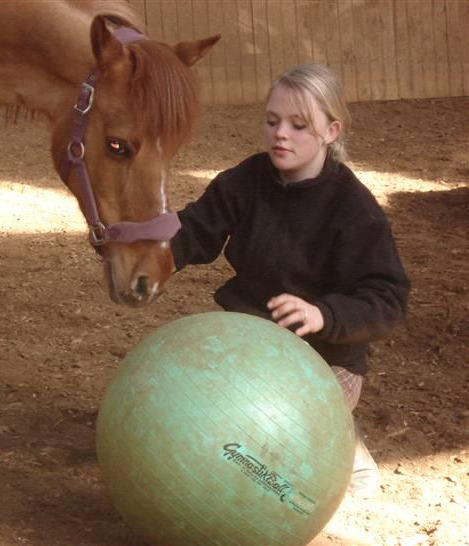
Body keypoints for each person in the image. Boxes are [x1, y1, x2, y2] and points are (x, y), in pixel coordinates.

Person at [169, 63, 410, 498]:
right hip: (252, 338)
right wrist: (145, 247)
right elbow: (193, 232)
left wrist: (324, 314)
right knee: (192, 403)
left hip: (326, 358)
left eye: (299, 126)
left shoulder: (354, 208)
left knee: (270, 431)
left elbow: (388, 299)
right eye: (272, 121)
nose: (281, 133)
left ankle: (345, 445)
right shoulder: (245, 180)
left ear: (331, 131)